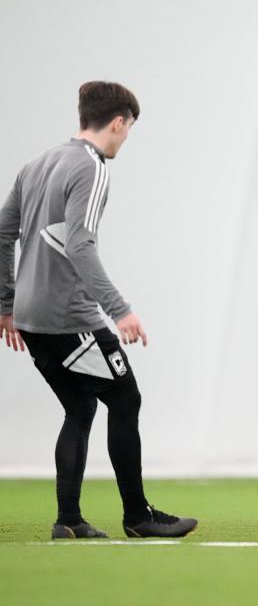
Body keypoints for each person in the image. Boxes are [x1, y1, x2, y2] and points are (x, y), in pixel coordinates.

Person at [0, 81, 197, 539]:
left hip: (31, 318)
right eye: (129, 129)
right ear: (118, 121)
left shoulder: (38, 163)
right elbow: (79, 244)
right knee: (126, 399)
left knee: (80, 406)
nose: (126, 137)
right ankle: (138, 516)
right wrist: (119, 310)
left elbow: (2, 232)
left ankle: (68, 520)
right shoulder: (92, 168)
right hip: (69, 317)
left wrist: (7, 304)